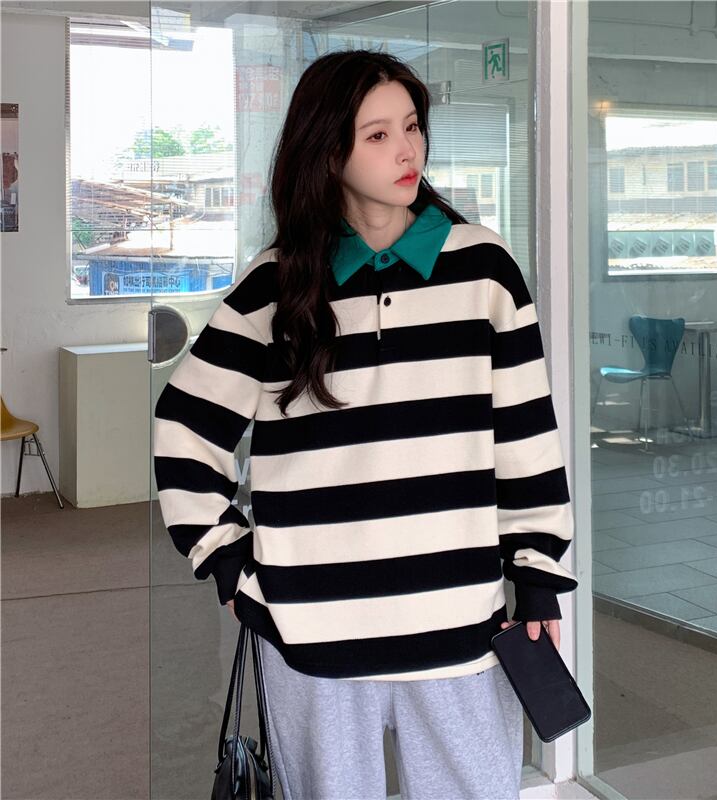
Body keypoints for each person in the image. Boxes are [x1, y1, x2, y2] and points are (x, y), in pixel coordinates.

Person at [153, 48, 578, 800]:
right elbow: (185, 428)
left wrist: (537, 574)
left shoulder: (484, 269)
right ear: (329, 151)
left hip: (459, 626)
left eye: (411, 126)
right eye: (377, 135)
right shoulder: (276, 286)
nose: (407, 149)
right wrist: (229, 565)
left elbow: (526, 437)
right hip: (311, 635)